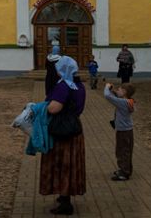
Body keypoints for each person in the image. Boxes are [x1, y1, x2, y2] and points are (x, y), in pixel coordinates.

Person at [40, 56, 86, 215]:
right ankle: (64, 195)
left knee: (62, 165)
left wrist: (40, 108)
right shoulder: (79, 85)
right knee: (72, 165)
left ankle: (65, 202)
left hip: (62, 130)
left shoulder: (63, 87)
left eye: (59, 68)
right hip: (75, 128)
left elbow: (54, 108)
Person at [103, 81, 137, 181]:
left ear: (125, 92)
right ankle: (127, 169)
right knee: (127, 150)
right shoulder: (129, 101)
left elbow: (108, 97)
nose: (118, 90)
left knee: (122, 151)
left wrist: (106, 87)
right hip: (128, 130)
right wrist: (113, 90)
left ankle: (124, 172)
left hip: (123, 131)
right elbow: (116, 95)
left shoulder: (123, 102)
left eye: (120, 89)